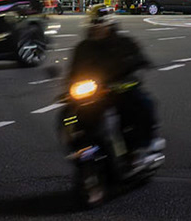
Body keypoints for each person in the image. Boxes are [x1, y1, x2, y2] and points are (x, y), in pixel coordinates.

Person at [68, 8, 159, 159]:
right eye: (93, 23)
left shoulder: (123, 43)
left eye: (99, 23)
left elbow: (138, 59)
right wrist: (68, 87)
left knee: (140, 105)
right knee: (78, 113)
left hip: (120, 91)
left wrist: (130, 72)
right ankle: (83, 146)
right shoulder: (84, 47)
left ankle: (143, 145)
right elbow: (74, 71)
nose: (96, 27)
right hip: (95, 93)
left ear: (109, 24)